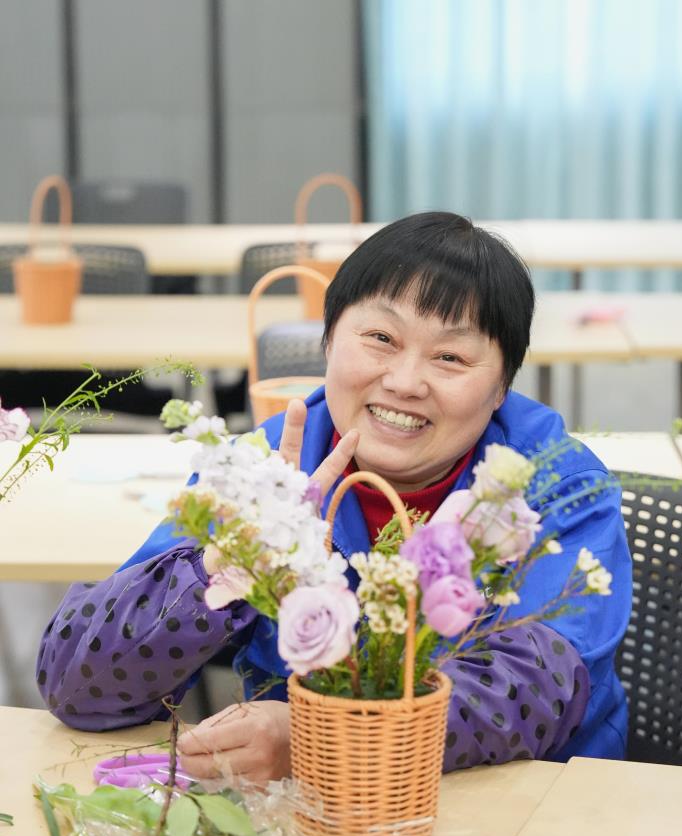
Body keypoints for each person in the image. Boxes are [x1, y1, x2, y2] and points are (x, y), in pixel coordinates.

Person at [36, 212, 632, 781]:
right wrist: (228, 561)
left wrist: (315, 739)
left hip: (530, 815)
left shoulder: (555, 483)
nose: (404, 381)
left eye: (450, 356)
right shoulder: (265, 468)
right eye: (380, 338)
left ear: (502, 385)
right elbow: (77, 685)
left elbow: (537, 690)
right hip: (312, 825)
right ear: (327, 341)